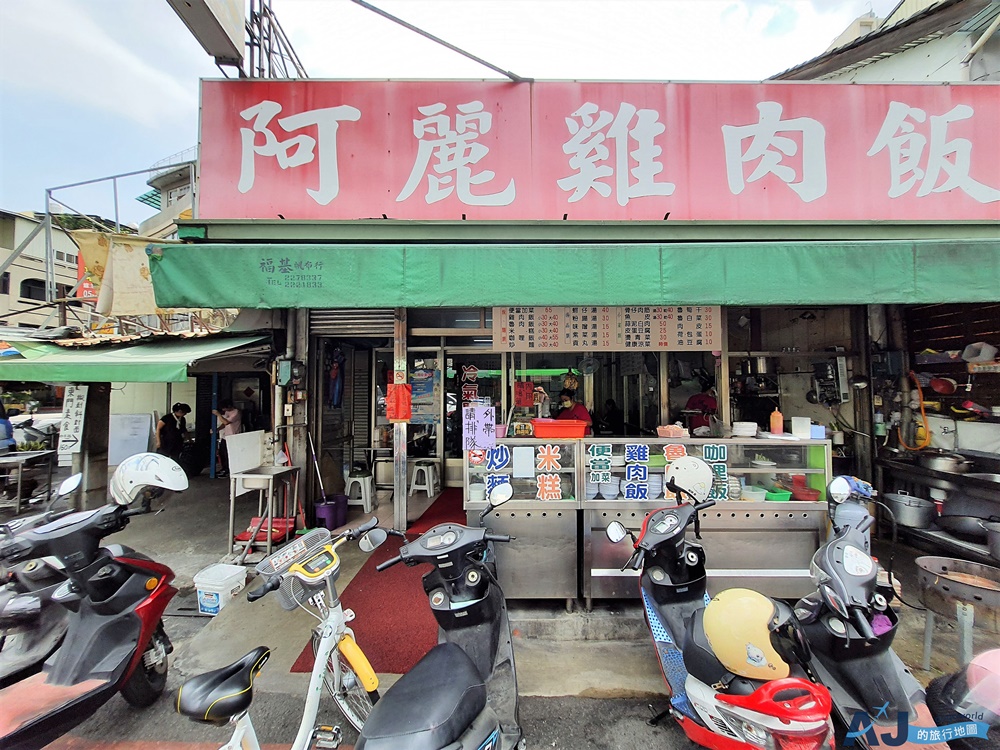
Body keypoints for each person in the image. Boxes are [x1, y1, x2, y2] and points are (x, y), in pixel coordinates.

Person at [213, 400, 242, 477]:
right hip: (225, 436)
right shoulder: (227, 413)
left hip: (233, 436)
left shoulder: (236, 412)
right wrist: (218, 429)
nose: (223, 410)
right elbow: (224, 423)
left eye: (224, 408)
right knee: (222, 453)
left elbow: (226, 422)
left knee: (229, 454)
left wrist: (218, 414)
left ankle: (228, 470)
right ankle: (224, 468)